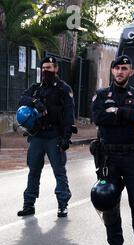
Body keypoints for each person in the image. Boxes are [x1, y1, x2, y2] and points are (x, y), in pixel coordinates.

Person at [91, 55, 134, 245]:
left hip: (132, 158)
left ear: (131, 72)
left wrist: (117, 112)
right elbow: (98, 117)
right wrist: (126, 115)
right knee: (109, 205)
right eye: (117, 68)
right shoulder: (101, 95)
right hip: (109, 158)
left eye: (124, 68)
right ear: (112, 71)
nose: (120, 72)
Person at [17, 57, 75, 218]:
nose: (45, 70)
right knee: (33, 171)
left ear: (56, 69)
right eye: (43, 68)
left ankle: (63, 204)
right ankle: (29, 205)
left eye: (49, 67)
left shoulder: (63, 89)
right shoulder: (36, 88)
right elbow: (22, 98)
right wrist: (35, 102)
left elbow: (69, 115)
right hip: (37, 136)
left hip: (54, 136)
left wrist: (66, 137)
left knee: (59, 172)